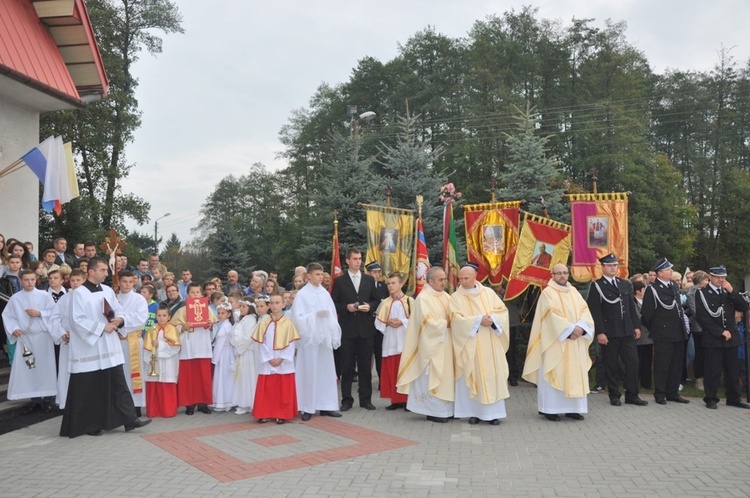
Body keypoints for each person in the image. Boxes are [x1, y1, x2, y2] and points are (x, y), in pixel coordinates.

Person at [59, 257, 151, 437]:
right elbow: (76, 321)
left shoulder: (108, 290)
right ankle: (91, 424)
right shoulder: (79, 294)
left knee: (118, 383)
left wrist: (120, 320)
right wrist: (102, 327)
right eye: (102, 270)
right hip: (90, 349)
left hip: (109, 347)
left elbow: (118, 310)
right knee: (92, 388)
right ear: (91, 272)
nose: (106, 273)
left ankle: (129, 419)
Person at [523, 264, 594, 421]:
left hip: (575, 343)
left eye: (565, 273)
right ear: (552, 275)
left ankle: (573, 409)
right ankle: (551, 409)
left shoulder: (574, 292)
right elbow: (551, 316)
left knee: (575, 373)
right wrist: (570, 330)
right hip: (555, 343)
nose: (562, 276)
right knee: (555, 372)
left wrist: (581, 328)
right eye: (559, 273)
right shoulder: (548, 293)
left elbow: (585, 311)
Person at [450, 263, 510, 426]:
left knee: (492, 377)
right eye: (461, 278)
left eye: (466, 278)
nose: (463, 281)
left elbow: (502, 311)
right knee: (473, 375)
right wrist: (478, 320)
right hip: (471, 344)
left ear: (475, 276)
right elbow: (455, 320)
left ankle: (493, 414)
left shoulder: (488, 293)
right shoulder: (456, 297)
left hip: (490, 343)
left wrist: (492, 320)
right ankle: (473, 413)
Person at [586, 253, 648, 407]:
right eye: (609, 265)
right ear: (603, 267)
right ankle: (614, 394)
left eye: (615, 265)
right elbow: (595, 311)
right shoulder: (597, 286)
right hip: (610, 332)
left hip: (627, 330)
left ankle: (632, 394)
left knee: (633, 362)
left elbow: (630, 307)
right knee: (611, 364)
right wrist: (600, 332)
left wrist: (636, 326)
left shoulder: (625, 284)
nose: (613, 268)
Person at [396, 267, 455, 423]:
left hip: (445, 345)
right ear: (430, 281)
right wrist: (445, 323)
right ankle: (432, 411)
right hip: (430, 347)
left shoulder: (446, 296)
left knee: (445, 376)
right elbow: (425, 323)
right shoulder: (423, 299)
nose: (444, 282)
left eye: (444, 279)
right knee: (432, 377)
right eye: (441, 279)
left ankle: (446, 410)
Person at [2, 269, 60, 413]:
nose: (29, 282)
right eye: (26, 280)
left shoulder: (44, 295)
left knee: (45, 368)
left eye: (32, 279)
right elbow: (8, 316)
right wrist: (14, 328)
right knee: (30, 368)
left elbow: (54, 314)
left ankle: (47, 399)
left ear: (36, 280)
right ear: (21, 281)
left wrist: (40, 313)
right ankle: (34, 400)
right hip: (25, 338)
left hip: (43, 337)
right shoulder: (15, 298)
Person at [290, 262, 342, 421]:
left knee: (326, 372)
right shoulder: (302, 295)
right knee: (309, 371)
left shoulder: (325, 293)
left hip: (323, 339)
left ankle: (327, 405)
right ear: (309, 276)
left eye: (322, 274)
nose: (321, 277)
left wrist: (331, 326)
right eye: (317, 274)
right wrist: (314, 317)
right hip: (310, 340)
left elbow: (333, 314)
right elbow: (297, 318)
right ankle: (307, 407)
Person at [331, 248, 381, 411]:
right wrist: (346, 307)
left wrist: (370, 306)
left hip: (366, 330)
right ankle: (347, 400)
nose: (358, 261)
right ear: (347, 261)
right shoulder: (339, 281)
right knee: (347, 366)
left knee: (365, 366)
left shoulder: (368, 279)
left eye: (360, 259)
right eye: (354, 259)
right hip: (348, 330)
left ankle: (365, 399)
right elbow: (334, 304)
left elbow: (376, 300)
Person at [695, 265, 750, 409]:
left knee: (733, 370)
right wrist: (720, 332)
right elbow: (702, 317)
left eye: (723, 277)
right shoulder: (702, 293)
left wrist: (731, 290)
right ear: (710, 277)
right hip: (713, 337)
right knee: (713, 370)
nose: (721, 280)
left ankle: (733, 398)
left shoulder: (728, 292)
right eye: (718, 277)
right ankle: (711, 398)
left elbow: (744, 307)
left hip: (731, 336)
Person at [641, 258, 690, 405]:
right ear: (660, 273)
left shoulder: (674, 285)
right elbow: (646, 314)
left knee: (676, 364)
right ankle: (660, 393)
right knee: (662, 364)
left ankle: (672, 392)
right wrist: (657, 328)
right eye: (668, 270)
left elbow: (678, 308)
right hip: (663, 332)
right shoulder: (653, 289)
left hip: (678, 331)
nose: (671, 272)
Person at [252, 294, 300, 424]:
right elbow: (260, 342)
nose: (274, 306)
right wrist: (269, 358)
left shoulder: (288, 324)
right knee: (267, 388)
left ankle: (281, 413)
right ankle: (265, 412)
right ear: (269, 306)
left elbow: (291, 343)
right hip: (268, 361)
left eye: (277, 303)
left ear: (283, 305)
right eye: (272, 303)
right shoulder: (264, 323)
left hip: (283, 361)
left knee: (282, 389)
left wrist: (281, 358)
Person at [170, 282, 217, 415]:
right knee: (188, 377)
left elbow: (215, 328)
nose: (195, 295)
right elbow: (173, 329)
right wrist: (182, 327)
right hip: (188, 348)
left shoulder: (208, 310)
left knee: (203, 376)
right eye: (192, 292)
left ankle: (203, 403)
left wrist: (210, 325)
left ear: (202, 294)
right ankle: (189, 404)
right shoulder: (181, 311)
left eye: (198, 292)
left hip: (203, 345)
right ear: (187, 294)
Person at [375, 272, 413, 410]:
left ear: (401, 284)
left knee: (405, 369)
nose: (390, 286)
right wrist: (387, 322)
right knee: (392, 369)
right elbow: (378, 322)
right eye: (389, 283)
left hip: (404, 340)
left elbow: (416, 321)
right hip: (391, 340)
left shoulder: (410, 301)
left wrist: (402, 322)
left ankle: (407, 400)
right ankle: (395, 400)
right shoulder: (385, 303)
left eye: (393, 283)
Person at [116, 270, 149, 415]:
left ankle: (136, 405)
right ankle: (120, 405)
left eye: (130, 281)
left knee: (134, 373)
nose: (128, 285)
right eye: (124, 281)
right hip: (116, 341)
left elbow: (141, 319)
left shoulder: (139, 299)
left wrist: (122, 321)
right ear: (119, 282)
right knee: (120, 374)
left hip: (133, 341)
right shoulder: (114, 298)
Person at [55, 269, 86, 410]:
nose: (75, 283)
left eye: (78, 280)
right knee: (66, 371)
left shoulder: (89, 297)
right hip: (68, 340)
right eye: (72, 280)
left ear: (84, 281)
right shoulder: (65, 298)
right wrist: (62, 333)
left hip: (85, 341)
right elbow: (54, 318)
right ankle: (67, 402)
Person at [143, 304, 181, 418]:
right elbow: (146, 347)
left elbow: (175, 347)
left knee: (166, 385)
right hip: (155, 363)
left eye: (164, 315)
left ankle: (167, 411)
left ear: (169, 316)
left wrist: (160, 344)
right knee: (154, 385)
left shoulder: (172, 329)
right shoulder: (152, 329)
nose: (161, 318)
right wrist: (150, 359)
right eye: (159, 315)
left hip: (168, 363)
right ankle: (153, 411)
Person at [230, 298, 259, 415]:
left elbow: (248, 337)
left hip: (247, 352)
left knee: (248, 377)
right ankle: (243, 402)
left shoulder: (251, 319)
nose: (241, 308)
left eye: (244, 306)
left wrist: (240, 349)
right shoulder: (242, 320)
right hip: (241, 352)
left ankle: (249, 402)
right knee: (242, 377)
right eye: (240, 306)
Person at [366, 261, 389, 389]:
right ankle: (366, 382)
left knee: (380, 354)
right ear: (368, 273)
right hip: (368, 324)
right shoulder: (364, 285)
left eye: (379, 272)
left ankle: (382, 382)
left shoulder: (383, 286)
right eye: (375, 272)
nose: (377, 275)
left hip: (380, 325)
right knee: (367, 356)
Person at [211, 300, 236, 412]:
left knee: (223, 377)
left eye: (223, 313)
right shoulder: (223, 325)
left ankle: (223, 402)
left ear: (229, 314)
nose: (220, 315)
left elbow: (220, 344)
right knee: (224, 377)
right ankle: (223, 400)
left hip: (223, 355)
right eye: (219, 313)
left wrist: (215, 358)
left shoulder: (225, 326)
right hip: (225, 354)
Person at [686, 271, 709, 391]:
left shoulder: (706, 291)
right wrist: (709, 320)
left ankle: (707, 378)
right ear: (700, 281)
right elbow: (696, 312)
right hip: (699, 328)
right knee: (699, 354)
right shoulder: (691, 293)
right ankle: (699, 379)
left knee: (707, 354)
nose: (707, 282)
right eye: (706, 280)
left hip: (708, 328)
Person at [632, 279, 653, 390]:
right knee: (639, 359)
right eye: (643, 289)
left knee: (647, 360)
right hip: (640, 335)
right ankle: (638, 381)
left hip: (648, 336)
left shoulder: (646, 301)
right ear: (638, 291)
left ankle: (647, 382)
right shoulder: (633, 302)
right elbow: (638, 316)